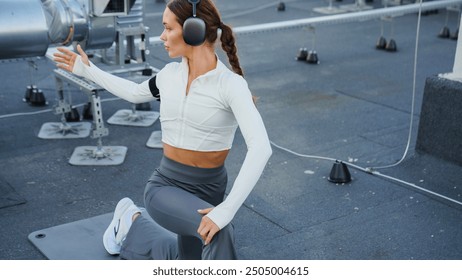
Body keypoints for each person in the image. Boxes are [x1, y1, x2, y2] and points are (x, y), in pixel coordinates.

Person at [53, 0, 272, 260]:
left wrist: (226, 209)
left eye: (168, 28)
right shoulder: (169, 75)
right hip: (166, 187)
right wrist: (87, 70)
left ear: (194, 30)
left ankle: (131, 222)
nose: (162, 36)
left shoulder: (230, 85)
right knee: (218, 233)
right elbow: (134, 93)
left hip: (209, 188)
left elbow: (261, 148)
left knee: (187, 262)